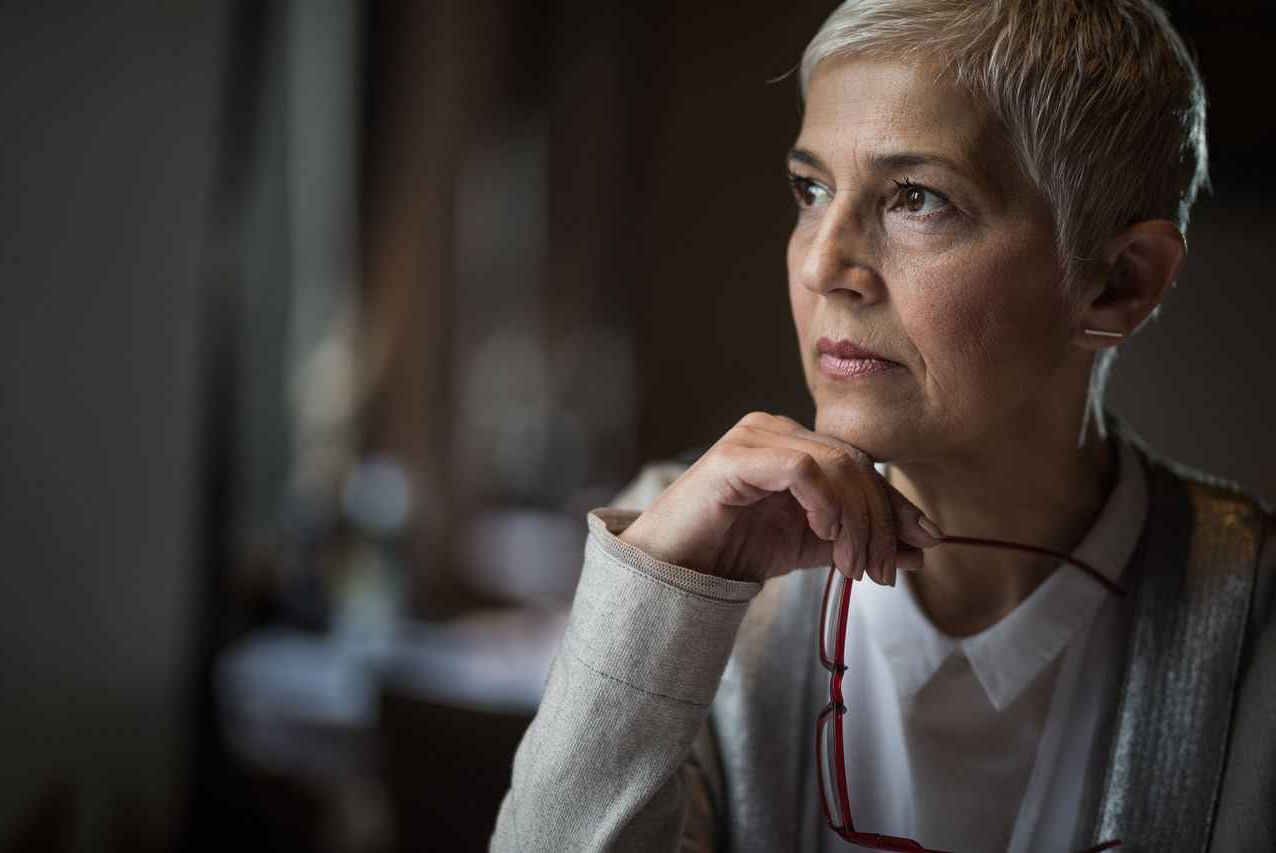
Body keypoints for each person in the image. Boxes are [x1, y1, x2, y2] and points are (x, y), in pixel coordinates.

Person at [491, 1, 1275, 850]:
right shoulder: (686, 552)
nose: (823, 263)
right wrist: (656, 610)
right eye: (811, 189)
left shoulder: (1255, 623)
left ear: (1120, 281)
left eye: (916, 198)